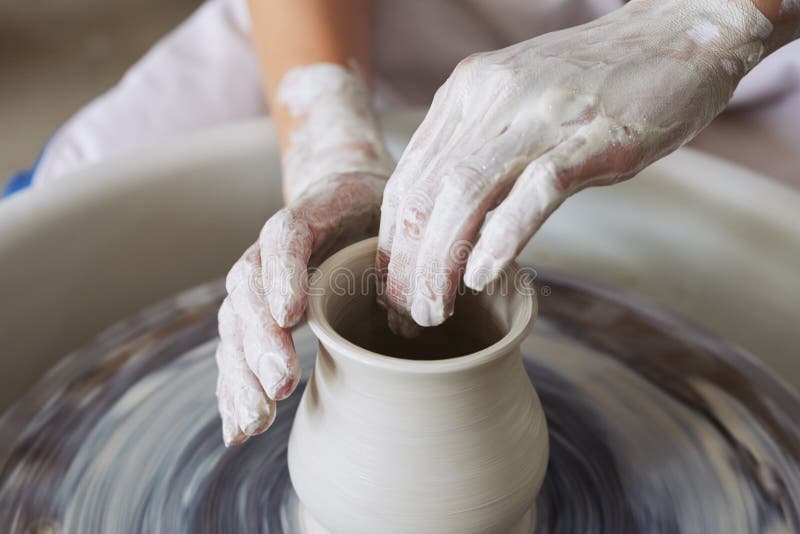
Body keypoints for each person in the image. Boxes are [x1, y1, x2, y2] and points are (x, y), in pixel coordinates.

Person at [6, 1, 798, 445]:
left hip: (766, 65)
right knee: (66, 195)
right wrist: (329, 147)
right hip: (404, 16)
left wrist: (715, 28)